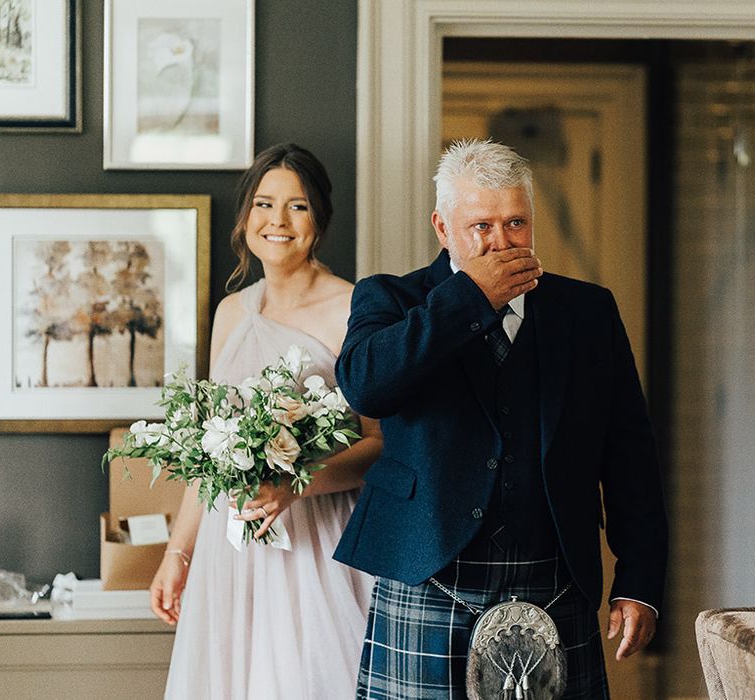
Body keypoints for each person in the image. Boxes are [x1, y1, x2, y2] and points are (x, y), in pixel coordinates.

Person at [334, 139, 668, 699]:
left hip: (556, 581)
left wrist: (639, 581)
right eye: (480, 226)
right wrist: (469, 300)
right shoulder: (390, 299)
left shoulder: (588, 312)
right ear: (442, 228)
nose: (500, 242)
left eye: (515, 223)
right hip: (430, 579)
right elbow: (367, 385)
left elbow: (630, 453)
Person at [151, 143, 381, 699]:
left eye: (297, 207)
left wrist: (293, 485)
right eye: (263, 204)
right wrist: (177, 555)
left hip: (317, 549)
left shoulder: (354, 309)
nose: (278, 221)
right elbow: (211, 456)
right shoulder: (231, 312)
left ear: (319, 218)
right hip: (228, 553)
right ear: (246, 218)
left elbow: (379, 444)